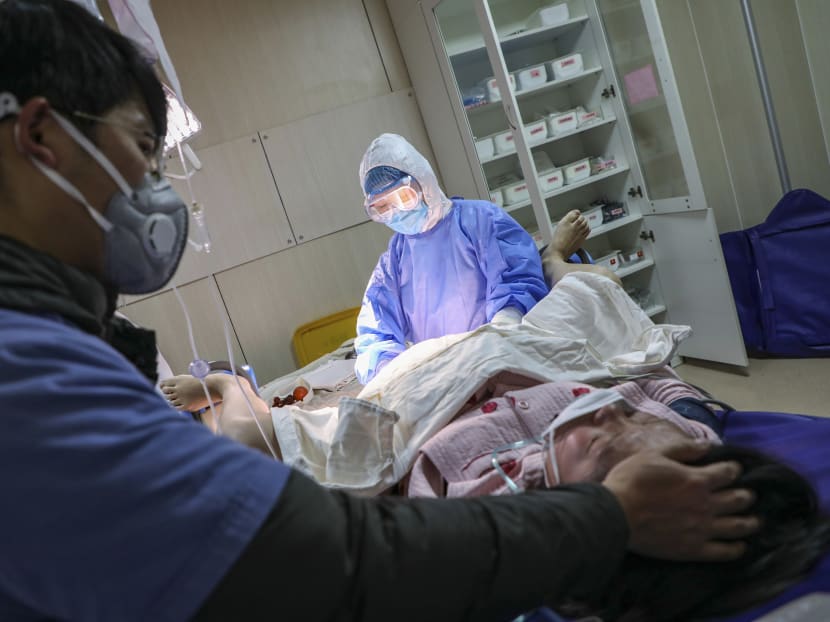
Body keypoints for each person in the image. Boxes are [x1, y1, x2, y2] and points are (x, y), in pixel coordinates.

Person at [0, 2, 758, 620]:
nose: (155, 185)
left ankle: (560, 253)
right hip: (431, 383)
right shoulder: (28, 376)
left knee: (577, 299)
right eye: (143, 145)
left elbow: (522, 315)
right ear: (41, 137)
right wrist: (603, 517)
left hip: (500, 348)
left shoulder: (479, 225)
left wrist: (500, 337)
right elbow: (324, 553)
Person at [354, 133, 550, 384]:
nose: (397, 212)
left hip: (500, 358)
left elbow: (518, 283)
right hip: (442, 376)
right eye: (382, 208)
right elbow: (374, 334)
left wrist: (503, 332)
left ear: (423, 182)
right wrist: (390, 371)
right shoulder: (393, 261)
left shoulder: (481, 221)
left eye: (404, 198)